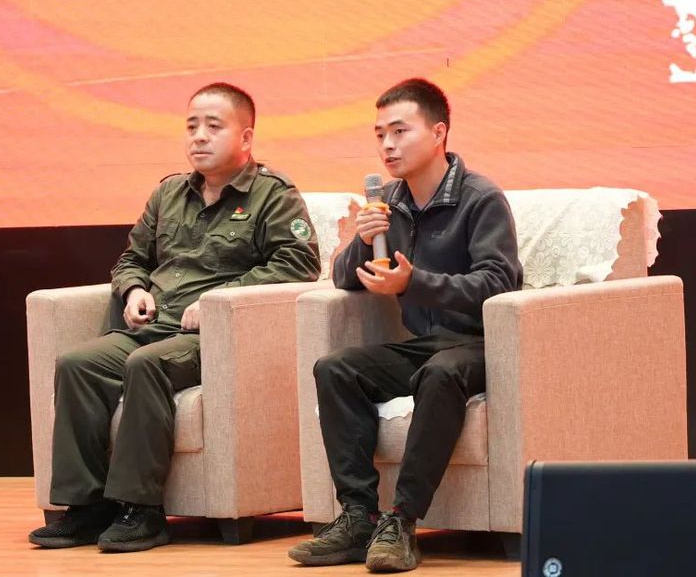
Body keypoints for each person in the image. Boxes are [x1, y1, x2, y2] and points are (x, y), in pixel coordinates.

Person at [29, 83, 321, 552]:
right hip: (153, 324)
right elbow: (131, 259)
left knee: (146, 365)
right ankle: (86, 508)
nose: (199, 136)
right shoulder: (168, 193)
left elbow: (299, 263)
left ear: (246, 138)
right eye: (191, 126)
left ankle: (141, 511)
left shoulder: (272, 194)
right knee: (77, 364)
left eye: (213, 126)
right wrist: (133, 290)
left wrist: (219, 298)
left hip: (214, 334)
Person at [288, 78, 522, 572]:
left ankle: (403, 520)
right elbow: (344, 278)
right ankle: (358, 517)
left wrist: (415, 283)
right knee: (336, 369)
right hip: (428, 343)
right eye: (380, 135)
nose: (387, 145)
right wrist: (360, 240)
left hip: (482, 342)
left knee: (440, 372)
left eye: (399, 131)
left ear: (438, 133)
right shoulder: (390, 201)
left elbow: (498, 282)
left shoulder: (480, 198)